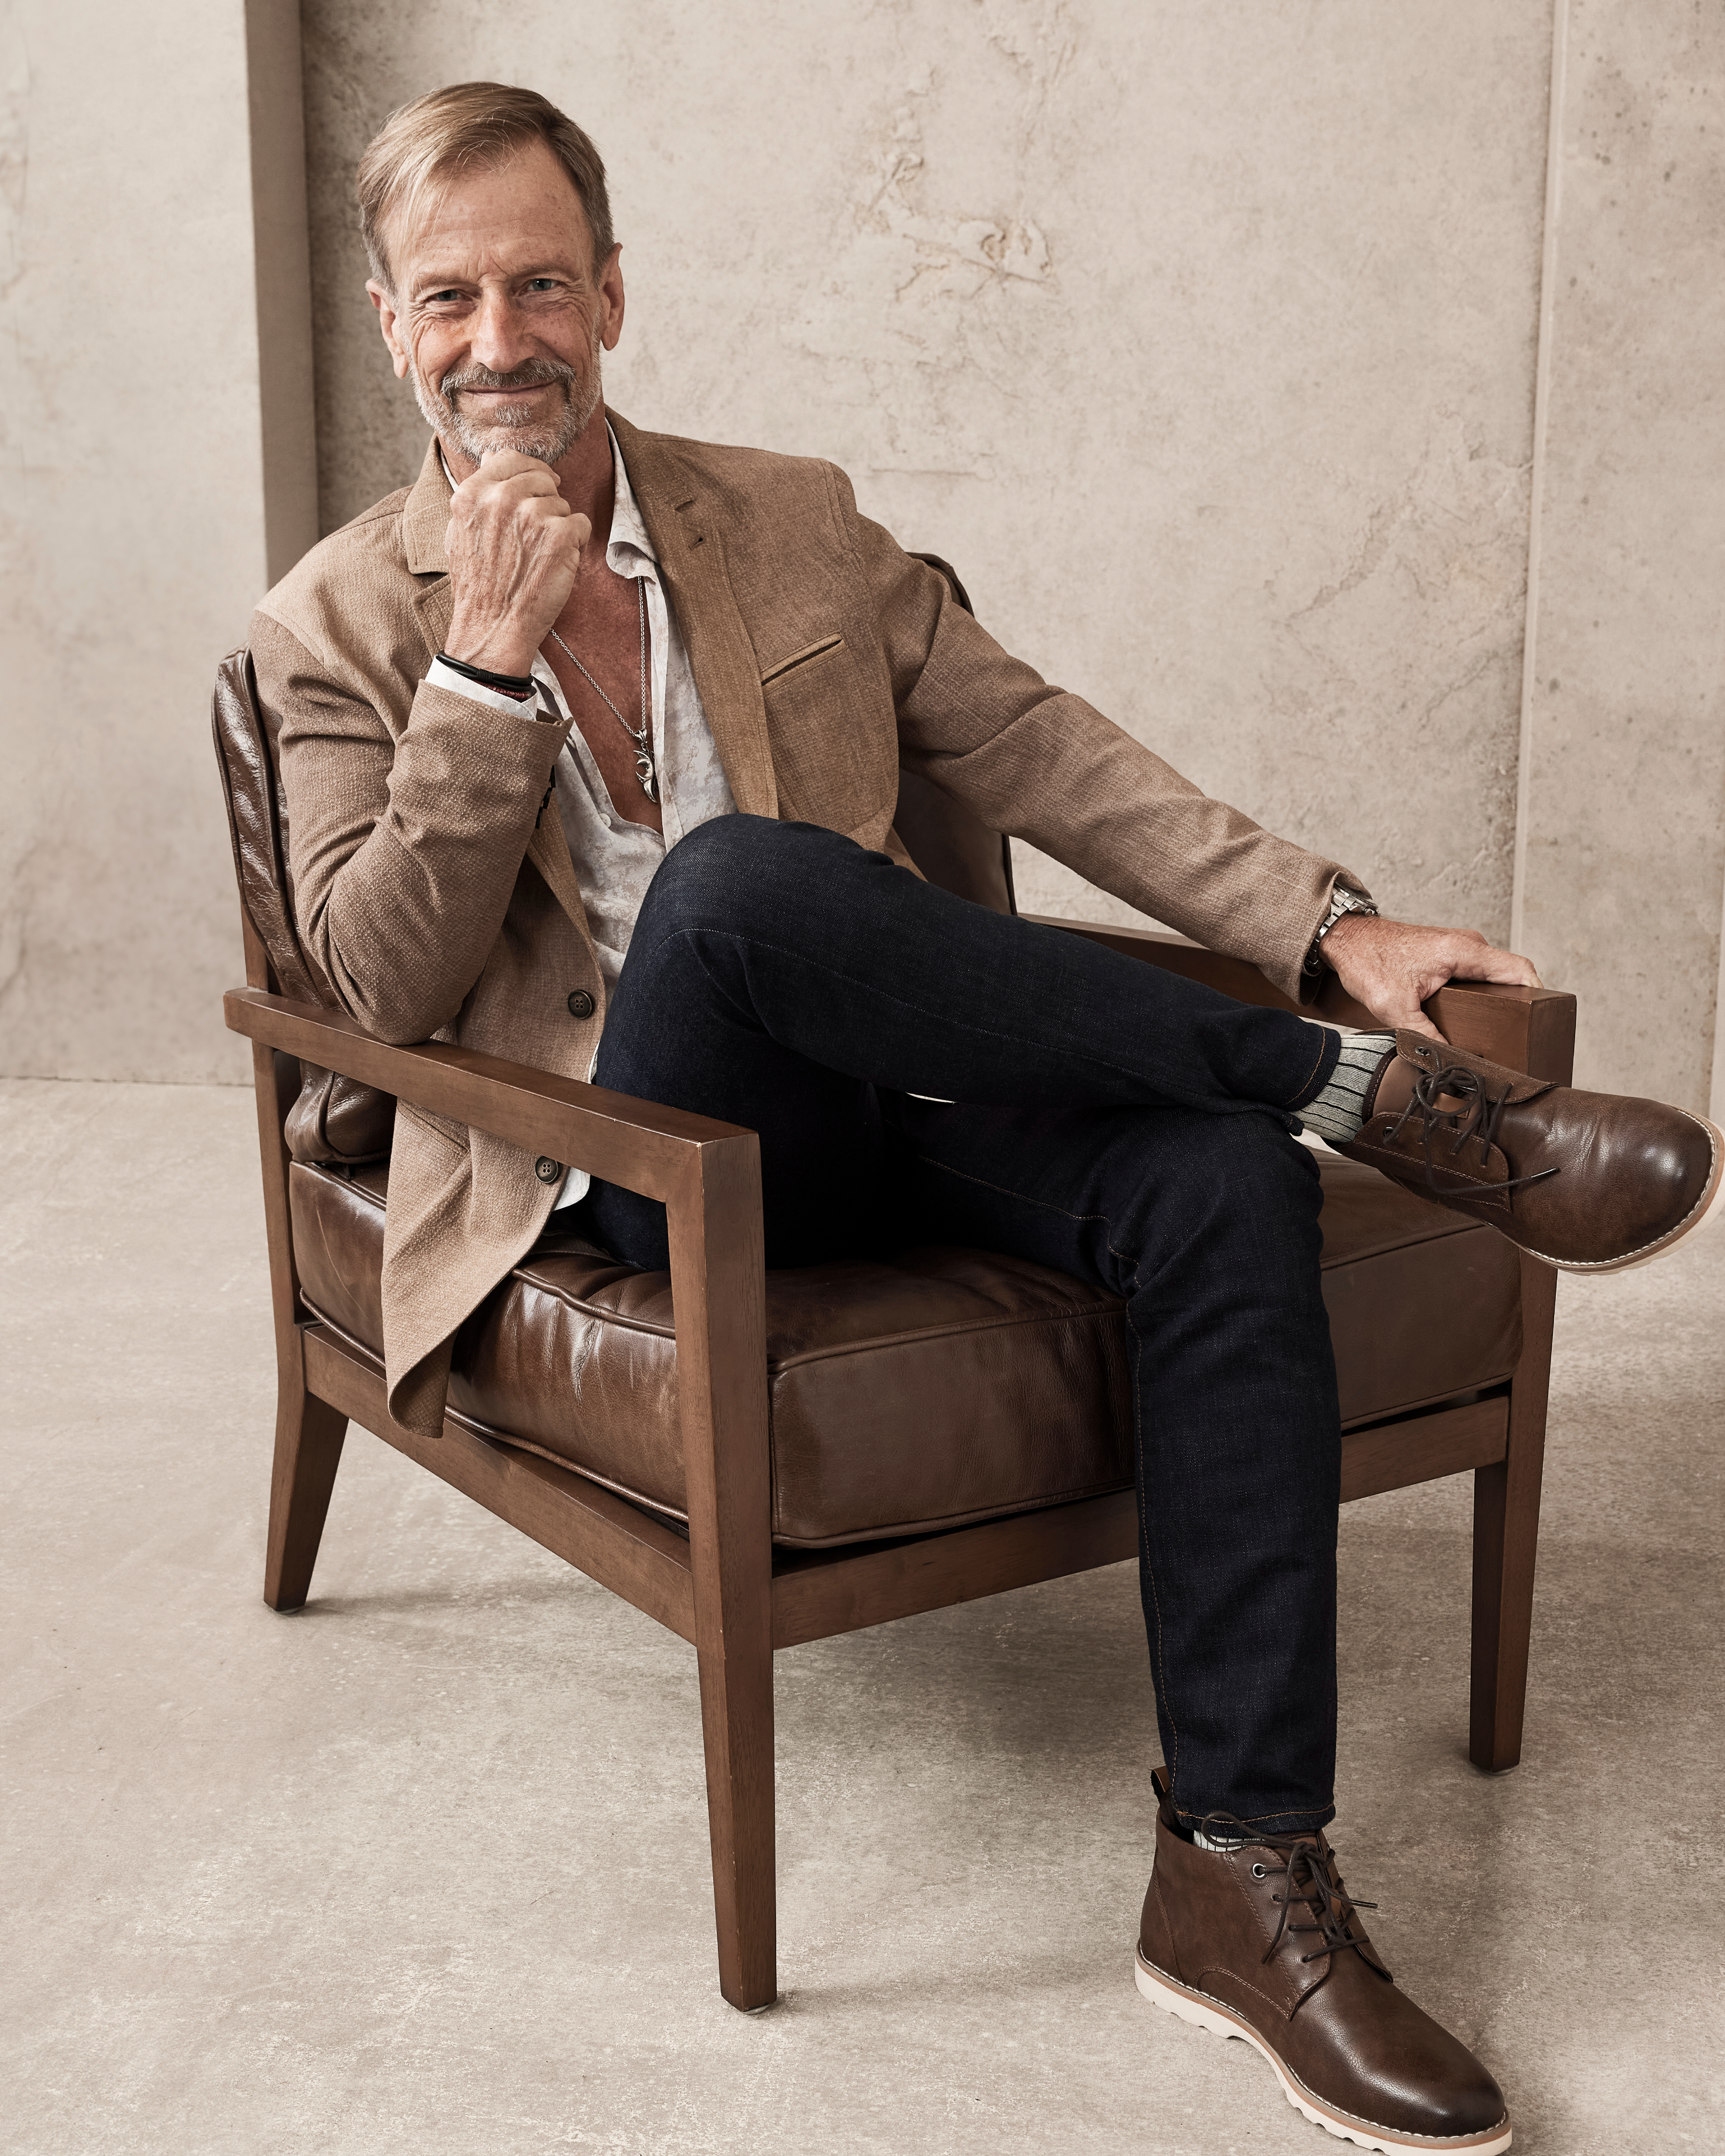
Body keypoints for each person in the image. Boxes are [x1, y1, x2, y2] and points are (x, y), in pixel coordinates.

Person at [250, 81, 1720, 2155]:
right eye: (454, 297)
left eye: (545, 285)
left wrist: (1328, 919)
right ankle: (1368, 1103)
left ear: (614, 295)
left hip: (882, 1103)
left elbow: (1040, 746)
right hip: (628, 1170)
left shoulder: (782, 517)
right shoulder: (328, 626)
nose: (505, 343)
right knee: (740, 883)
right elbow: (368, 994)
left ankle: (1236, 1866)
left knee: (1215, 1186)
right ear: (394, 325)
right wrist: (482, 677)